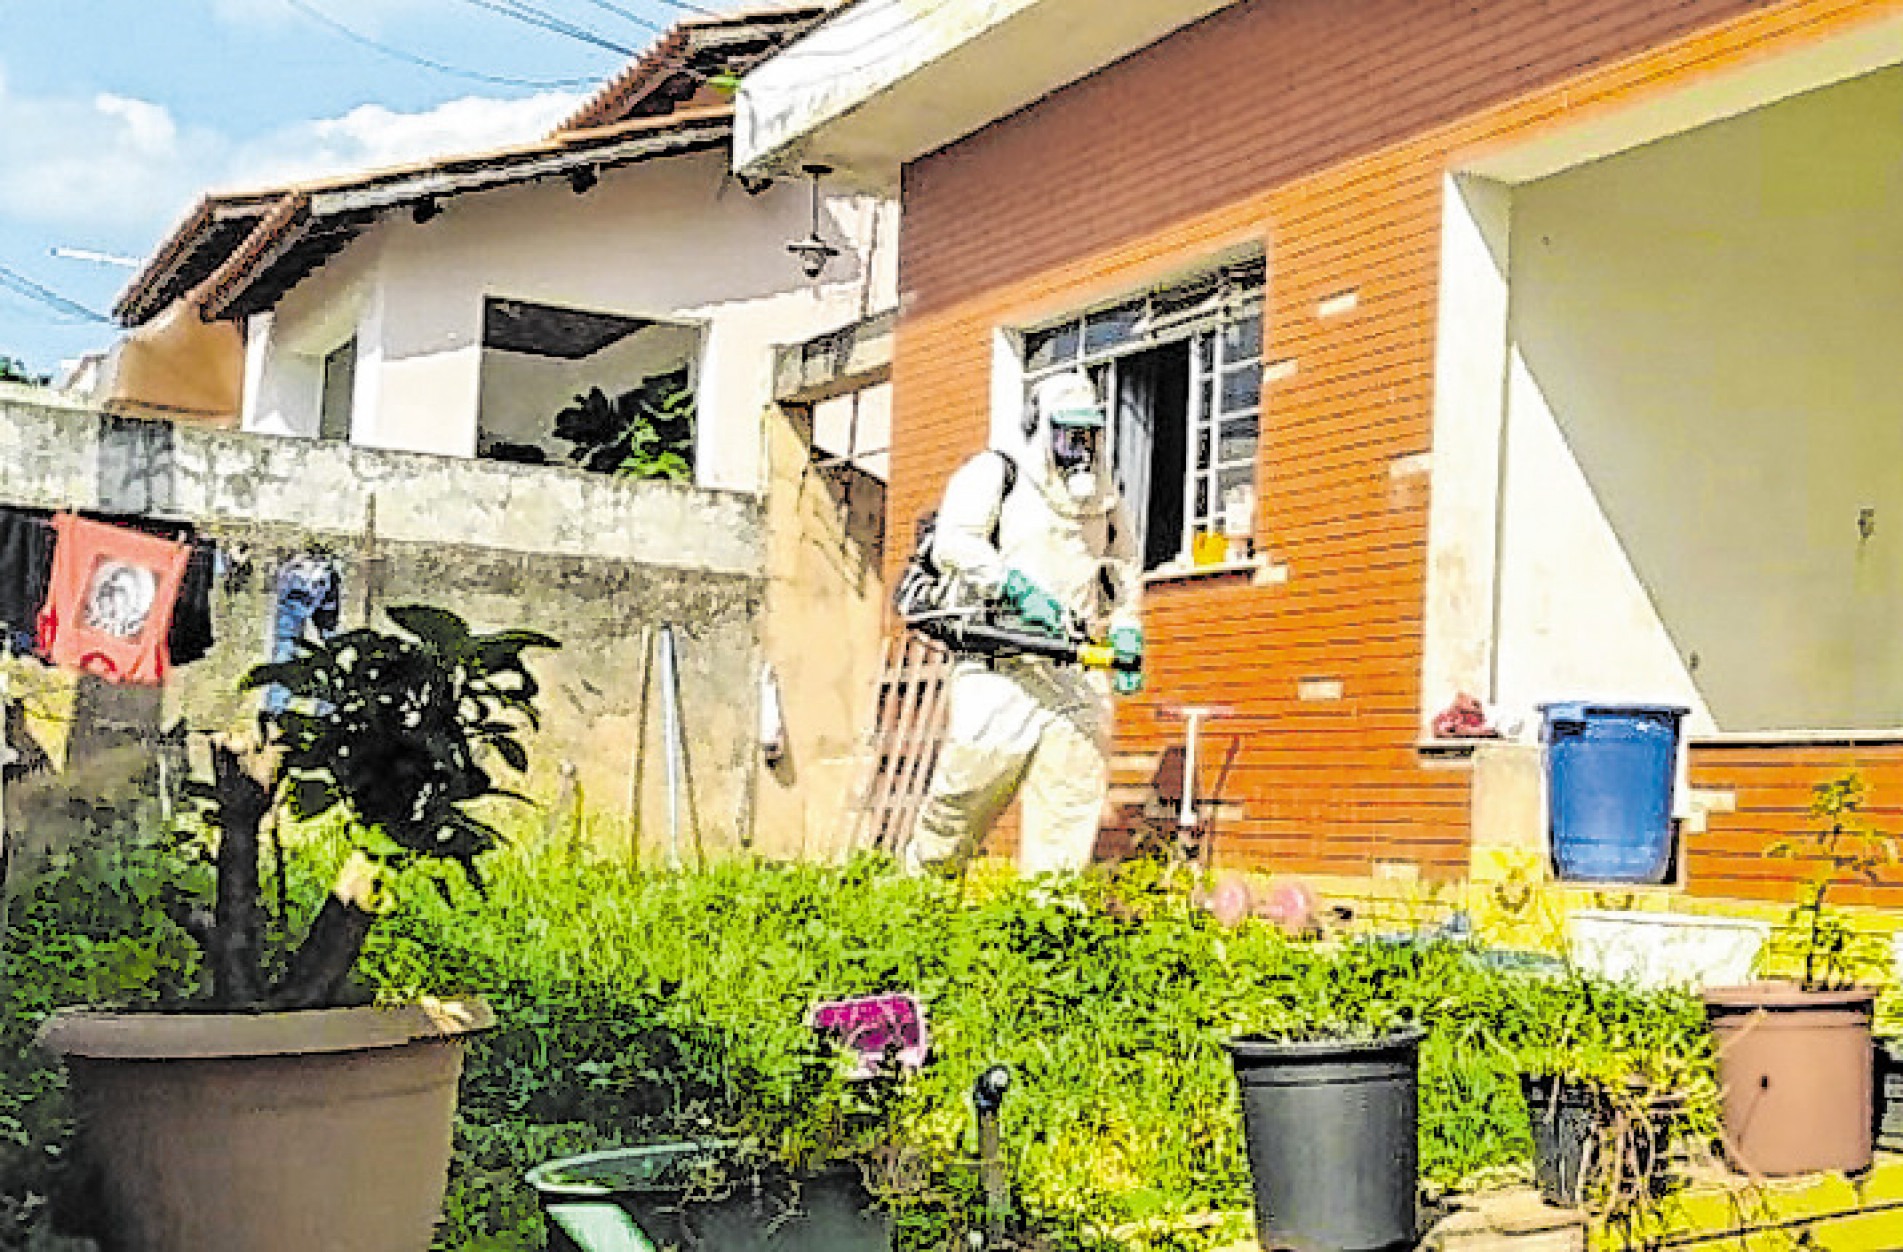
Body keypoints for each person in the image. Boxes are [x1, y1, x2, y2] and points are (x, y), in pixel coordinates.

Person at [905, 371, 1144, 878]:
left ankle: (1045, 924)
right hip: (1001, 662)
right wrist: (1014, 587)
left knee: (1071, 803)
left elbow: (1125, 565)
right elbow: (954, 542)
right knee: (965, 791)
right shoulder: (997, 473)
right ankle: (920, 900)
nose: (1078, 447)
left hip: (1075, 668)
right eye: (1066, 434)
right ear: (1040, 427)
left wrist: (1126, 626)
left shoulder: (1103, 496)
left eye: (1088, 435)